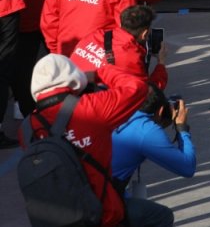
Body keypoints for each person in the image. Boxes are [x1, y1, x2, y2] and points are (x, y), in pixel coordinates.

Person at [21, 53, 161, 227]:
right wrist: (99, 72)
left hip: (58, 219)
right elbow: (138, 88)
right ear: (73, 78)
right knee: (160, 216)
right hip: (103, 214)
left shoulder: (27, 128)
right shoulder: (92, 107)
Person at [111, 84, 197, 198]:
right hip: (101, 196)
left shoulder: (112, 108)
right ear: (161, 110)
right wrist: (182, 128)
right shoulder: (146, 131)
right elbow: (187, 168)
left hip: (86, 181)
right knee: (161, 215)